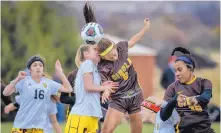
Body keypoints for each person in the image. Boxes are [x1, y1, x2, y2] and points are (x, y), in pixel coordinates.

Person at [82, 3, 150, 133]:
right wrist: (106, 91)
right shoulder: (102, 67)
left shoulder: (121, 47)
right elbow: (106, 84)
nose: (114, 55)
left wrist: (145, 28)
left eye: (114, 52)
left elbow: (133, 40)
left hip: (136, 94)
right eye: (110, 55)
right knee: (106, 131)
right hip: (119, 99)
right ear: (102, 56)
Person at [3, 55, 72, 133]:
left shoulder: (48, 83)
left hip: (38, 128)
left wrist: (60, 73)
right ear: (30, 69)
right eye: (35, 65)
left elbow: (69, 89)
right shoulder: (23, 81)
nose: (38, 67)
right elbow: (5, 93)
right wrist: (17, 79)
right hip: (21, 126)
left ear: (43, 69)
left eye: (40, 65)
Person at [64, 44, 118, 133]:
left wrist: (103, 86)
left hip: (92, 116)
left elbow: (91, 90)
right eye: (94, 49)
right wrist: (104, 87)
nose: (98, 51)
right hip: (81, 116)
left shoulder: (94, 68)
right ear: (86, 54)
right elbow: (88, 87)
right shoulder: (87, 63)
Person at [164, 47, 215, 133]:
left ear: (190, 68)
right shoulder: (172, 87)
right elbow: (164, 115)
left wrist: (195, 99)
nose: (177, 74)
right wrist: (174, 100)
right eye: (175, 71)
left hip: (205, 130)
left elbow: (206, 96)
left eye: (180, 70)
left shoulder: (204, 83)